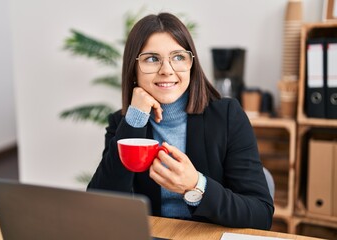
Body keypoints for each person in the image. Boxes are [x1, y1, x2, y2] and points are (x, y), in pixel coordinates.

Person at [87, 12, 274, 230]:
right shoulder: (124, 123)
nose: (167, 70)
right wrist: (135, 118)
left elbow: (260, 214)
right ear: (134, 69)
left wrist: (195, 185)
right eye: (151, 58)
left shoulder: (227, 116)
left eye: (178, 57)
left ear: (191, 65)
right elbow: (99, 208)